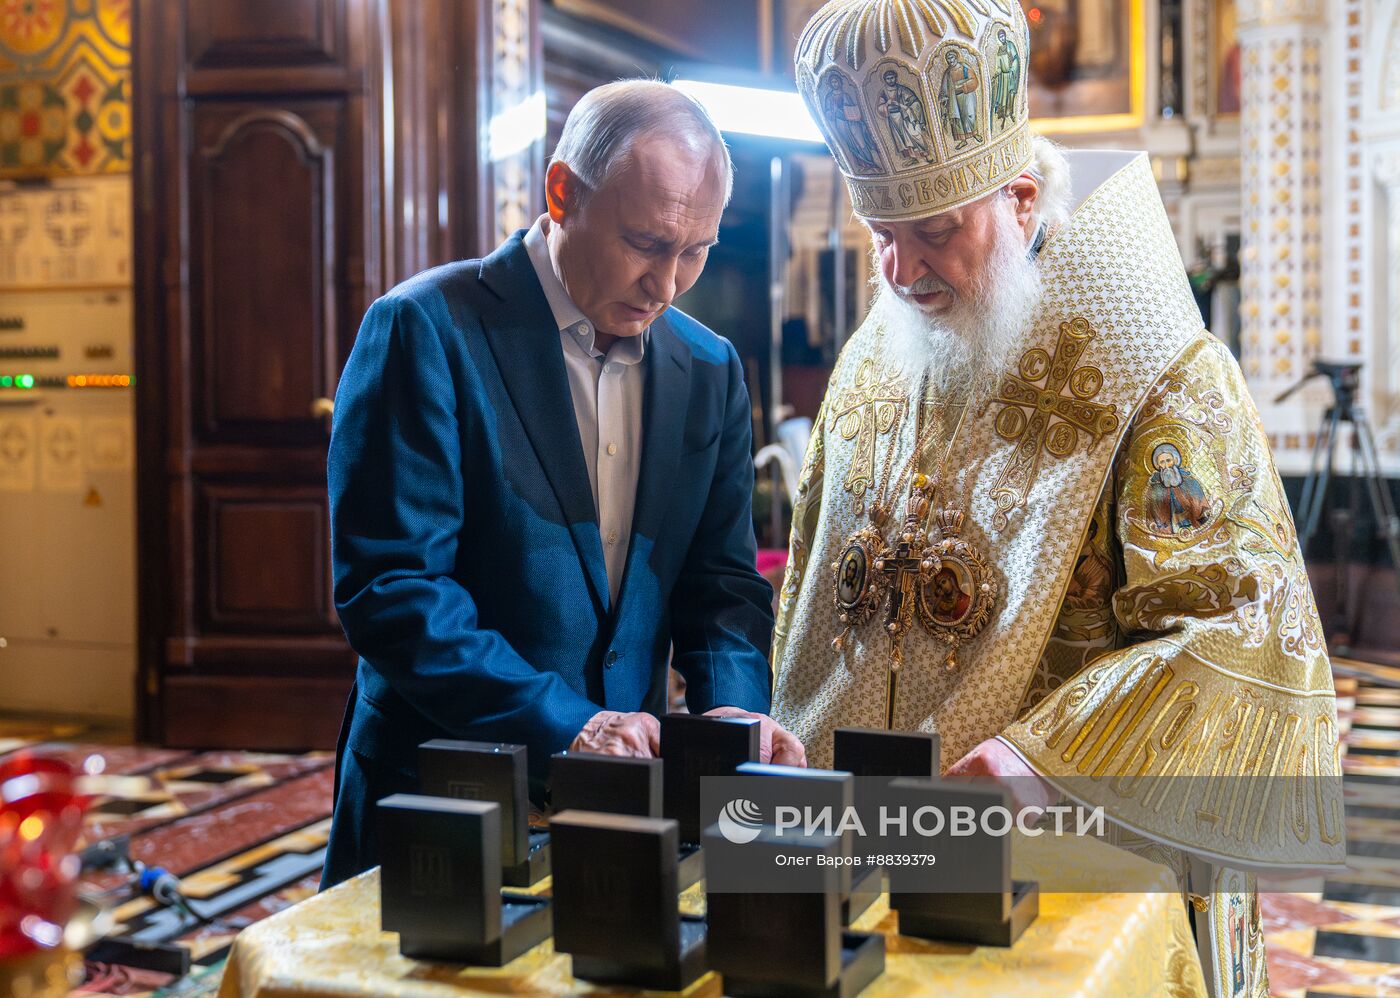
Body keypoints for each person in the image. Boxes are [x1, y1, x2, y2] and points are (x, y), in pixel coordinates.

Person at [781, 3, 1344, 994]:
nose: (900, 272)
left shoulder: (1158, 370)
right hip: (857, 865)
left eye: (933, 231)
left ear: (1022, 198)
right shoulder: (873, 360)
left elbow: (1247, 628)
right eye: (880, 234)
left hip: (1063, 862)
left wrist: (1039, 763)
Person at [323, 79, 805, 888]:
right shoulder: (425, 328)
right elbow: (393, 590)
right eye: (647, 243)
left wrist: (731, 711)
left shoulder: (711, 367)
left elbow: (720, 582)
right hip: (443, 791)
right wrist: (570, 726)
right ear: (561, 193)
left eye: (697, 251)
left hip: (624, 811)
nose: (668, 284)